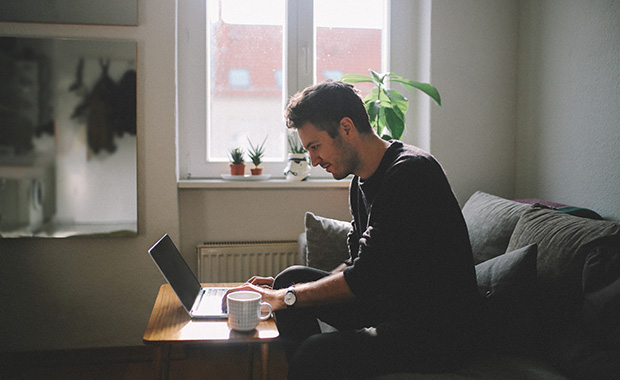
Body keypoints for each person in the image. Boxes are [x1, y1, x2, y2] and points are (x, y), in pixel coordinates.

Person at [224, 80, 483, 379]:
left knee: (313, 348)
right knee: (291, 278)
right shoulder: (360, 181)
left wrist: (286, 297)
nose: (314, 160)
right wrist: (290, 290)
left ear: (346, 128)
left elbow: (364, 279)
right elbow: (357, 264)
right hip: (391, 304)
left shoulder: (410, 173)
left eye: (315, 146)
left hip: (438, 331)